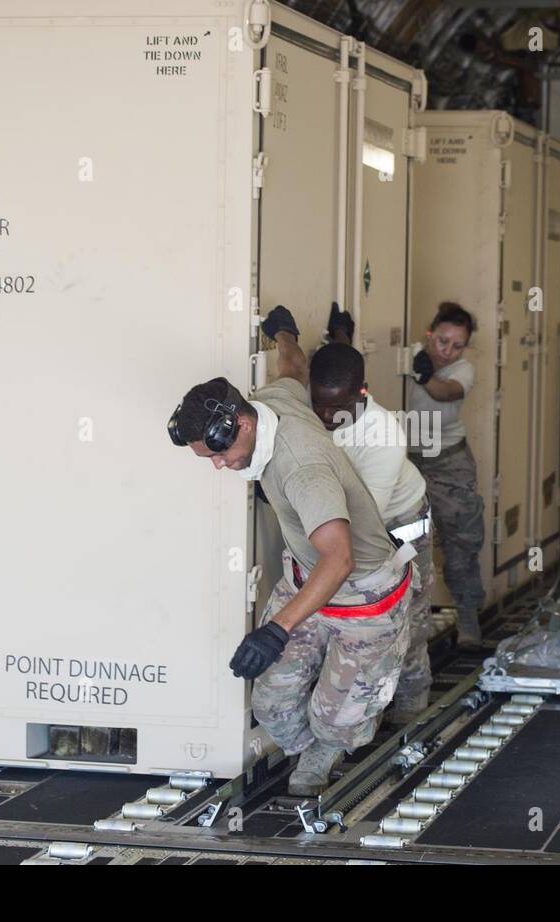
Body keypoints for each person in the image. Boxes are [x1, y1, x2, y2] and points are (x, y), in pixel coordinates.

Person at [166, 306, 412, 795]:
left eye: (219, 454)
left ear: (242, 424)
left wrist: (275, 631)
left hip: (364, 595)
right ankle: (311, 745)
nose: (218, 466)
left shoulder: (302, 470)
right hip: (307, 580)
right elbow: (294, 367)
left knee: (335, 720)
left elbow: (339, 559)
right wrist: (284, 332)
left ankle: (330, 745)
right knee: (271, 704)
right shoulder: (271, 401)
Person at [268, 303, 435, 720]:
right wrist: (284, 332)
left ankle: (409, 715)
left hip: (394, 529)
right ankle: (347, 712)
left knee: (404, 626)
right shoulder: (312, 391)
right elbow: (292, 362)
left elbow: (362, 531)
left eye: (334, 409)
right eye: (317, 405)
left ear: (361, 393)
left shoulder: (382, 437)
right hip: (337, 523)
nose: (324, 417)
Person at [405, 301, 486, 647]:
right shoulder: (405, 359)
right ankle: (408, 629)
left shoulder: (463, 370)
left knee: (461, 544)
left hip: (450, 464)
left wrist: (424, 375)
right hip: (408, 464)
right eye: (442, 341)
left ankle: (468, 620)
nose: (448, 351)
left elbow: (445, 392)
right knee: (404, 546)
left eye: (457, 345)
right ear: (430, 334)